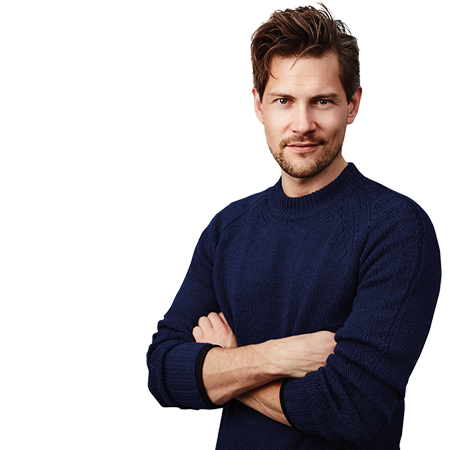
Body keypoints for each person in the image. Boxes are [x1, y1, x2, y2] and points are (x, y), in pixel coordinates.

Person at [147, 4, 441, 449]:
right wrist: (277, 356)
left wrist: (226, 365)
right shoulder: (228, 229)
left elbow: (352, 407)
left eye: (322, 101)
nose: (302, 125)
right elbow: (163, 369)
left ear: (352, 105)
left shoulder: (398, 230)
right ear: (259, 105)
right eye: (283, 101)